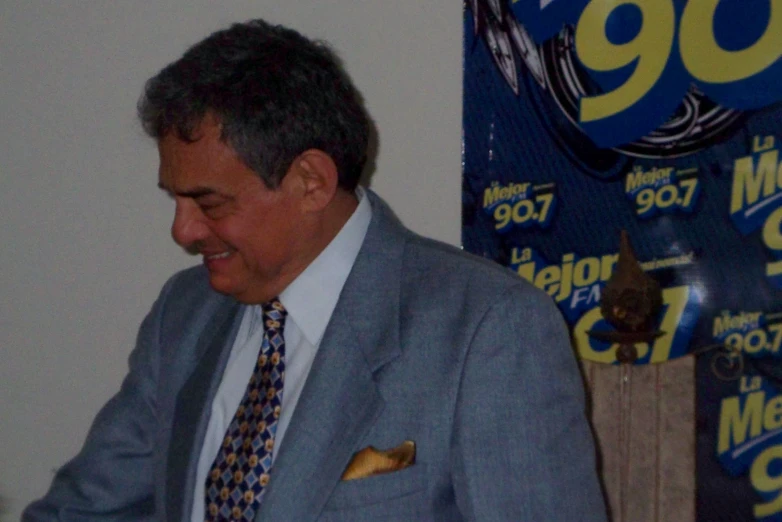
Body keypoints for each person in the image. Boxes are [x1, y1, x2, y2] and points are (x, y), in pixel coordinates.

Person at [23, 19, 606, 522]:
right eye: (174, 201)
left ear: (311, 181)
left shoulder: (487, 330)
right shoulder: (185, 312)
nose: (182, 232)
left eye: (209, 203)